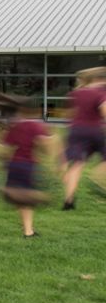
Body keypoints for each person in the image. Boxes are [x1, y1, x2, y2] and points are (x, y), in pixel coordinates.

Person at [0, 92, 54, 237]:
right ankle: (28, 230)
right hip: (29, 166)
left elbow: (5, 149)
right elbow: (44, 145)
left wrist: (3, 163)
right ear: (35, 111)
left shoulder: (14, 127)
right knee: (29, 199)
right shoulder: (37, 126)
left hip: (14, 166)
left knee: (22, 199)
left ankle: (28, 230)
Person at [60, 66, 106, 210]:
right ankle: (95, 177)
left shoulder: (75, 93)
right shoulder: (100, 93)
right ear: (99, 79)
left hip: (76, 131)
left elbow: (68, 114)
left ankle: (68, 201)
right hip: (95, 130)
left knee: (76, 164)